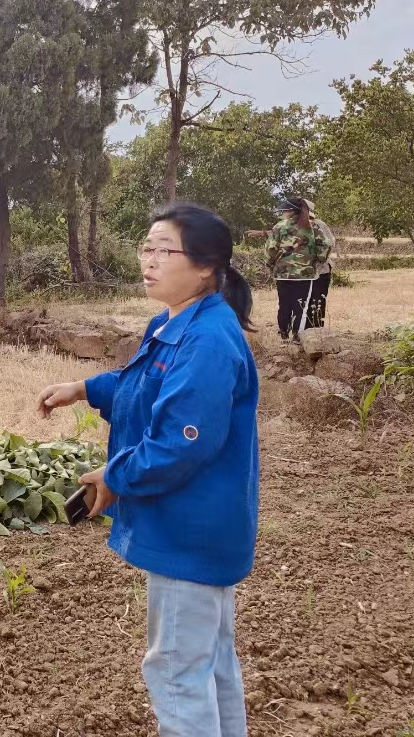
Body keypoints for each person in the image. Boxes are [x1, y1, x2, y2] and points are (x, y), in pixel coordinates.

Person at [35, 202, 259, 737]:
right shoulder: (176, 322)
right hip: (197, 527)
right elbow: (146, 384)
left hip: (191, 530)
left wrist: (114, 478)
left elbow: (182, 443)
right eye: (146, 248)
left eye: (165, 250)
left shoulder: (207, 340)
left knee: (177, 671)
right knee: (211, 663)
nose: (150, 260)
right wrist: (86, 389)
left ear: (205, 267)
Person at [264, 198, 329, 342]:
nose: (284, 212)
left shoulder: (279, 226)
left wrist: (270, 264)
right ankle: (298, 336)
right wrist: (318, 261)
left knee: (284, 304)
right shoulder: (313, 226)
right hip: (305, 275)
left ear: (292, 210)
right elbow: (325, 246)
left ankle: (283, 334)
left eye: (286, 210)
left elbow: (270, 249)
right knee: (302, 306)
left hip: (282, 274)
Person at [304, 199, 336, 330]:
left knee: (315, 302)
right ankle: (310, 331)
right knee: (311, 302)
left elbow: (330, 244)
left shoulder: (317, 225)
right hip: (313, 271)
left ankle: (314, 331)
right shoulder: (297, 226)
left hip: (318, 270)